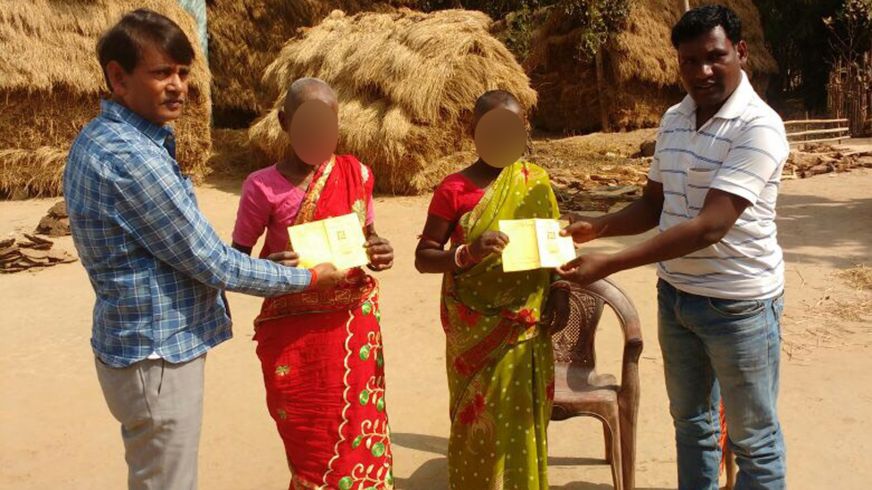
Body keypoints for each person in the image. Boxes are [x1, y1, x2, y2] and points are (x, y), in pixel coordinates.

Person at [64, 10, 342, 490]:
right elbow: (211, 260)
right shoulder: (132, 159)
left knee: (155, 474)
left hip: (140, 342)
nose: (177, 86)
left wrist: (259, 265)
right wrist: (310, 278)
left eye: (182, 73)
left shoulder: (108, 138)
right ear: (117, 76)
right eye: (160, 73)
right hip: (158, 353)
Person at [558, 5, 788, 489]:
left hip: (738, 305)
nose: (702, 71)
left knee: (754, 441)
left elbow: (710, 226)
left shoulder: (758, 126)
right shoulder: (675, 118)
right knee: (691, 425)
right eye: (689, 61)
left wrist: (612, 261)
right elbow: (656, 204)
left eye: (714, 56)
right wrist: (598, 227)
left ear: (740, 52)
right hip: (677, 299)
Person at [232, 77, 395, 490]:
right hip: (294, 335)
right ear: (285, 122)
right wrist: (272, 266)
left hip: (351, 329)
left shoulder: (356, 173)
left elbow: (368, 235)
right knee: (310, 444)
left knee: (359, 437)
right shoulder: (261, 186)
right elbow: (235, 260)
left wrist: (379, 250)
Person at [414, 90, 557, 489]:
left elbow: (553, 252)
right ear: (472, 130)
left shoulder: (536, 182)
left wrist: (559, 290)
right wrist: (467, 253)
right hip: (473, 330)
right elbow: (424, 256)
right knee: (477, 426)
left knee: (524, 427)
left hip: (528, 328)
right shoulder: (453, 189)